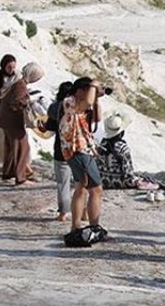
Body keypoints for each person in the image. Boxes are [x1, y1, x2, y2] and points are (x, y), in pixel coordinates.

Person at [99, 112, 165, 198]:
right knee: (151, 180)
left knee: (142, 176)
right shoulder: (123, 148)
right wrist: (137, 181)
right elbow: (128, 173)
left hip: (104, 181)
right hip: (121, 183)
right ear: (121, 133)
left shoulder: (102, 145)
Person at [61, 78, 105, 240]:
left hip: (79, 149)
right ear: (79, 90)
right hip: (78, 149)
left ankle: (76, 226)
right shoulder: (70, 101)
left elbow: (97, 118)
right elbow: (86, 102)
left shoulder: (80, 106)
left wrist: (97, 99)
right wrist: (94, 84)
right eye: (87, 89)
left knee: (82, 187)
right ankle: (94, 226)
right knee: (96, 189)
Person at [0, 62, 43, 185]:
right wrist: (30, 101)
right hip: (13, 121)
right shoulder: (20, 85)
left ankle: (8, 173)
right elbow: (16, 102)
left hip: (5, 120)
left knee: (11, 148)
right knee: (23, 148)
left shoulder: (16, 81)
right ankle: (20, 177)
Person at [45, 81, 76, 221]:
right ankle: (83, 212)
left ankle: (63, 213)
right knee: (82, 183)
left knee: (63, 183)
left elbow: (49, 127)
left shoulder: (55, 108)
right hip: (78, 148)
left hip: (61, 148)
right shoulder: (79, 107)